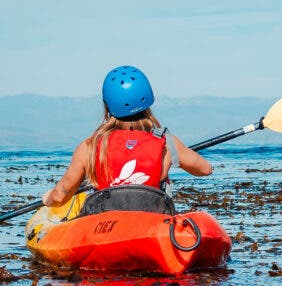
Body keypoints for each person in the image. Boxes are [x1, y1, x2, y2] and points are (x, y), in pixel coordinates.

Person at [43, 65, 212, 212]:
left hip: (104, 226)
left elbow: (60, 196)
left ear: (107, 106)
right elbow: (205, 169)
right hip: (152, 222)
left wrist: (47, 199)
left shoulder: (91, 146)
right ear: (148, 102)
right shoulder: (167, 142)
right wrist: (177, 156)